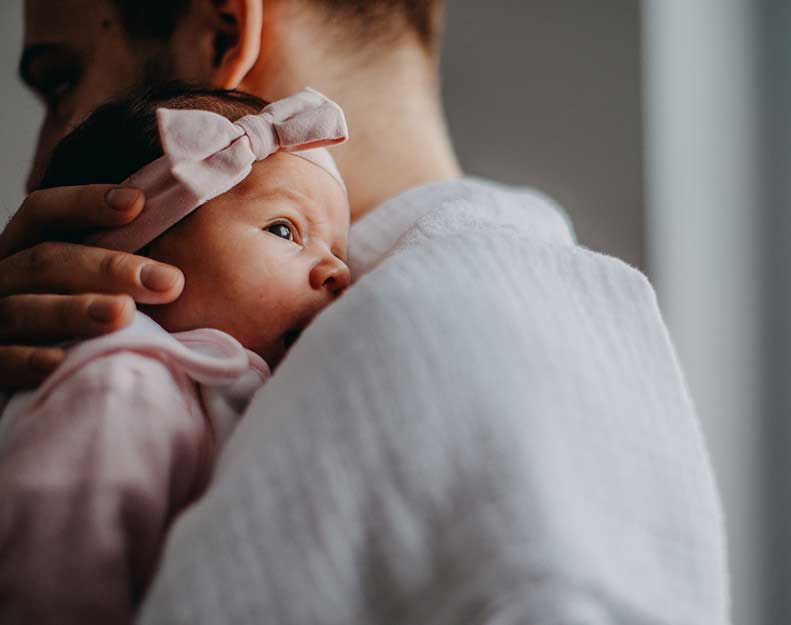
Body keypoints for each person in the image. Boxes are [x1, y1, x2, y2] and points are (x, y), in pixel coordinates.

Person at [0, 1, 731, 623]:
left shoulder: (425, 346)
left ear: (223, 35)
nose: (39, 168)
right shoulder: (574, 326)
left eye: (61, 81)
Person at [0, 84, 351, 623]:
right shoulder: (120, 382)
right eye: (285, 229)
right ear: (138, 259)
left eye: (337, 250)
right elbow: (53, 574)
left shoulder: (227, 385)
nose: (338, 272)